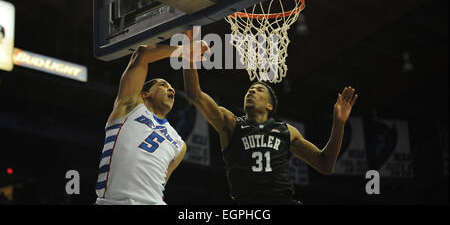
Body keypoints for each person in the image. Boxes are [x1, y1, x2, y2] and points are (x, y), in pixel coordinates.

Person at [182, 30, 358, 205]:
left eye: (259, 90)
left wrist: (339, 122)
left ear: (269, 106)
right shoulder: (232, 124)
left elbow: (325, 164)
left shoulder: (287, 131)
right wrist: (189, 57)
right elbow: (194, 95)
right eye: (250, 89)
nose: (251, 90)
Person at [95, 44, 188, 205]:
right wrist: (184, 51)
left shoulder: (180, 144)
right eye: (163, 85)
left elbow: (161, 183)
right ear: (145, 94)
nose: (171, 89)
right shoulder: (129, 107)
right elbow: (142, 53)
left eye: (171, 87)